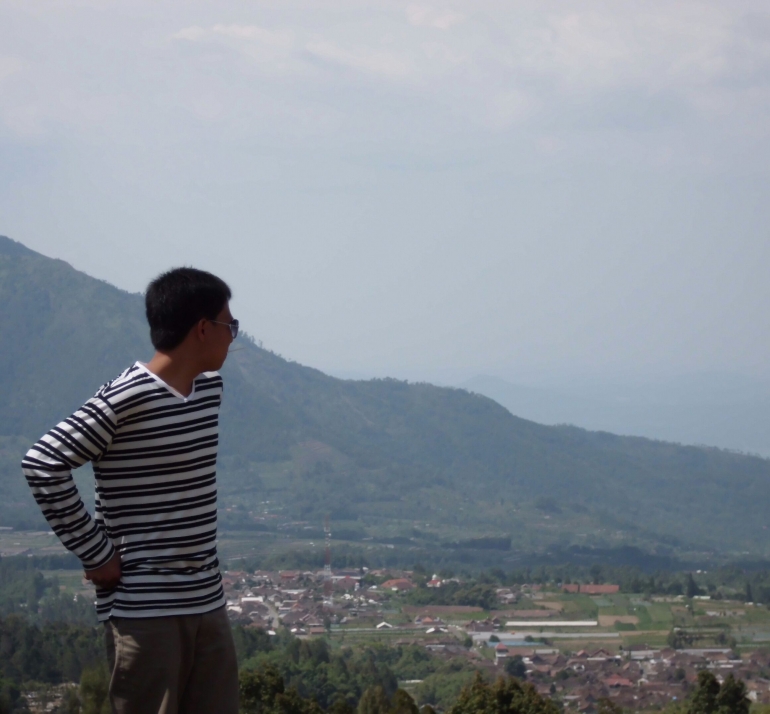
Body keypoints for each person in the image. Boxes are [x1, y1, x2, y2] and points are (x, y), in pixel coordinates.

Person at [22, 267, 240, 714]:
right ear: (203, 328)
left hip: (207, 601)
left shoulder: (208, 390)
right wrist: (96, 553)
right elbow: (43, 463)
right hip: (145, 611)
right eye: (229, 325)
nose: (233, 336)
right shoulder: (126, 398)